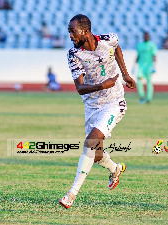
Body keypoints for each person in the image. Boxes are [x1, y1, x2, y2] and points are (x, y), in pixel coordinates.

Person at [59, 14, 136, 209]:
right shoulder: (74, 54)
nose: (70, 35)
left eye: (72, 31)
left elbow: (117, 48)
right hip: (92, 106)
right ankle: (115, 169)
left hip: (114, 102)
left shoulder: (108, 39)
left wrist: (125, 74)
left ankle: (71, 194)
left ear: (85, 31)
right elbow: (80, 88)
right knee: (97, 153)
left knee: (90, 143)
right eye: (69, 31)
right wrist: (103, 84)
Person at [134, 32, 157, 104]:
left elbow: (154, 56)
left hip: (149, 66)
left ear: (149, 37)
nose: (146, 37)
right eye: (145, 36)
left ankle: (149, 98)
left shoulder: (152, 45)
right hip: (141, 66)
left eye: (147, 36)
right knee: (139, 81)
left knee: (149, 82)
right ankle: (142, 97)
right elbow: (138, 56)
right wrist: (134, 66)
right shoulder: (139, 45)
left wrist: (154, 66)